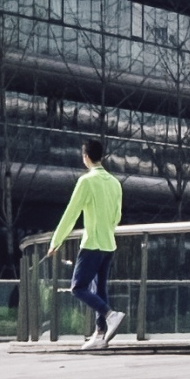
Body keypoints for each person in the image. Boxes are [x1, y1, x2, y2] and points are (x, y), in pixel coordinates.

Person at [50, 138, 127, 347]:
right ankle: (100, 335)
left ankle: (109, 315)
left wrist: (56, 241)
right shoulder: (114, 183)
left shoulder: (86, 181)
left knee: (78, 287)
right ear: (101, 157)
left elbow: (71, 213)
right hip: (109, 244)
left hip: (92, 243)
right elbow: (116, 216)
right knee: (99, 288)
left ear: (86, 157)